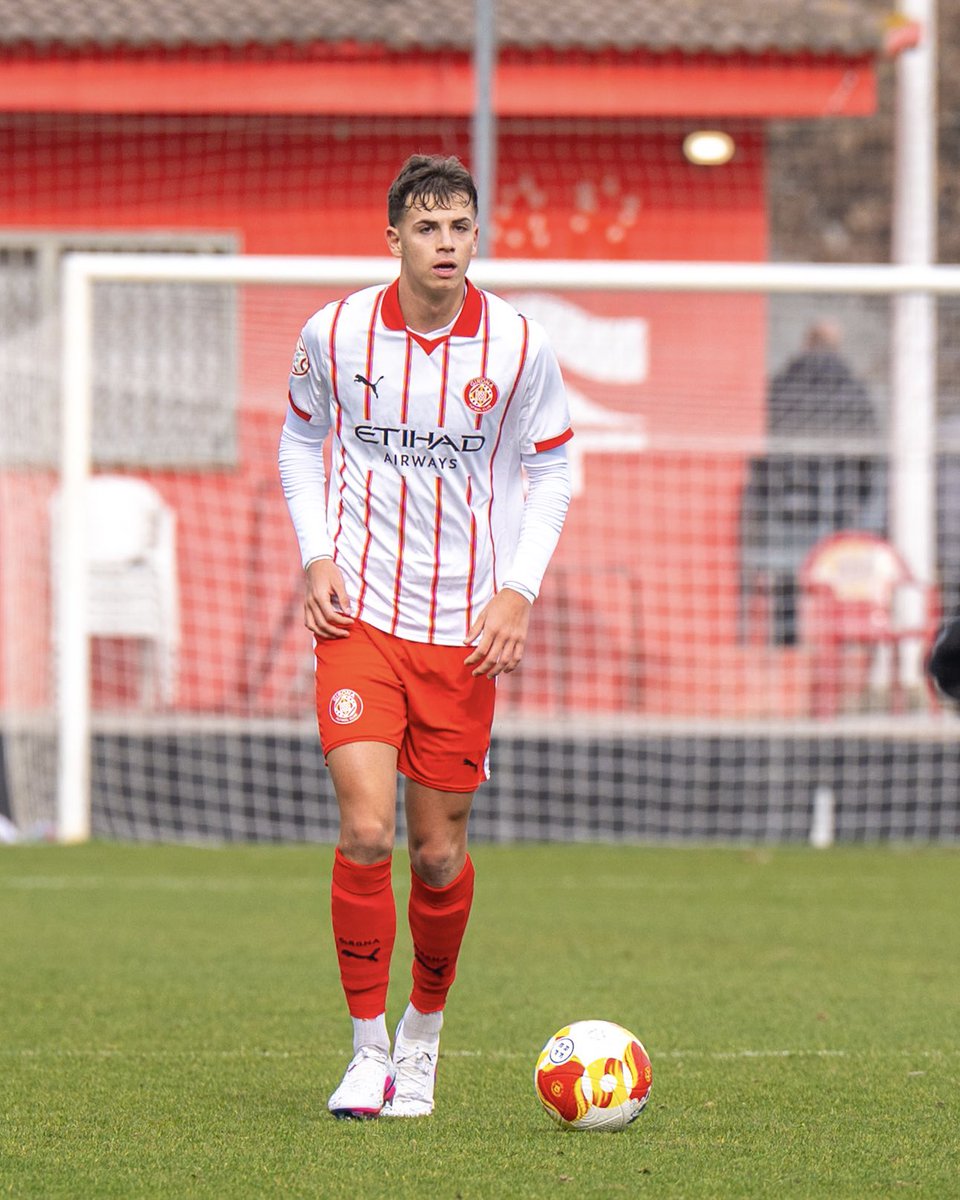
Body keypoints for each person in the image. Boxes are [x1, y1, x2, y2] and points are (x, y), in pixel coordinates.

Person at [278, 154, 573, 1119]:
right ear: (394, 237)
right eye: (429, 228)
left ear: (475, 237)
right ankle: (367, 1053)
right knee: (365, 829)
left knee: (436, 854)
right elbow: (299, 440)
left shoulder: (521, 348)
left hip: (463, 633)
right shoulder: (335, 331)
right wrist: (317, 553)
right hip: (358, 617)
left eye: (461, 228)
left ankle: (423, 1036)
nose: (447, 244)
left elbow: (551, 475)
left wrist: (518, 591)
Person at [741, 320, 885, 644]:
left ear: (806, 343)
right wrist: (856, 501)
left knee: (787, 581)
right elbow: (867, 456)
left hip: (784, 509)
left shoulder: (779, 386)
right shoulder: (854, 392)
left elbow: (761, 449)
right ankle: (840, 654)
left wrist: (769, 495)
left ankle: (787, 648)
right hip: (834, 508)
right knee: (839, 583)